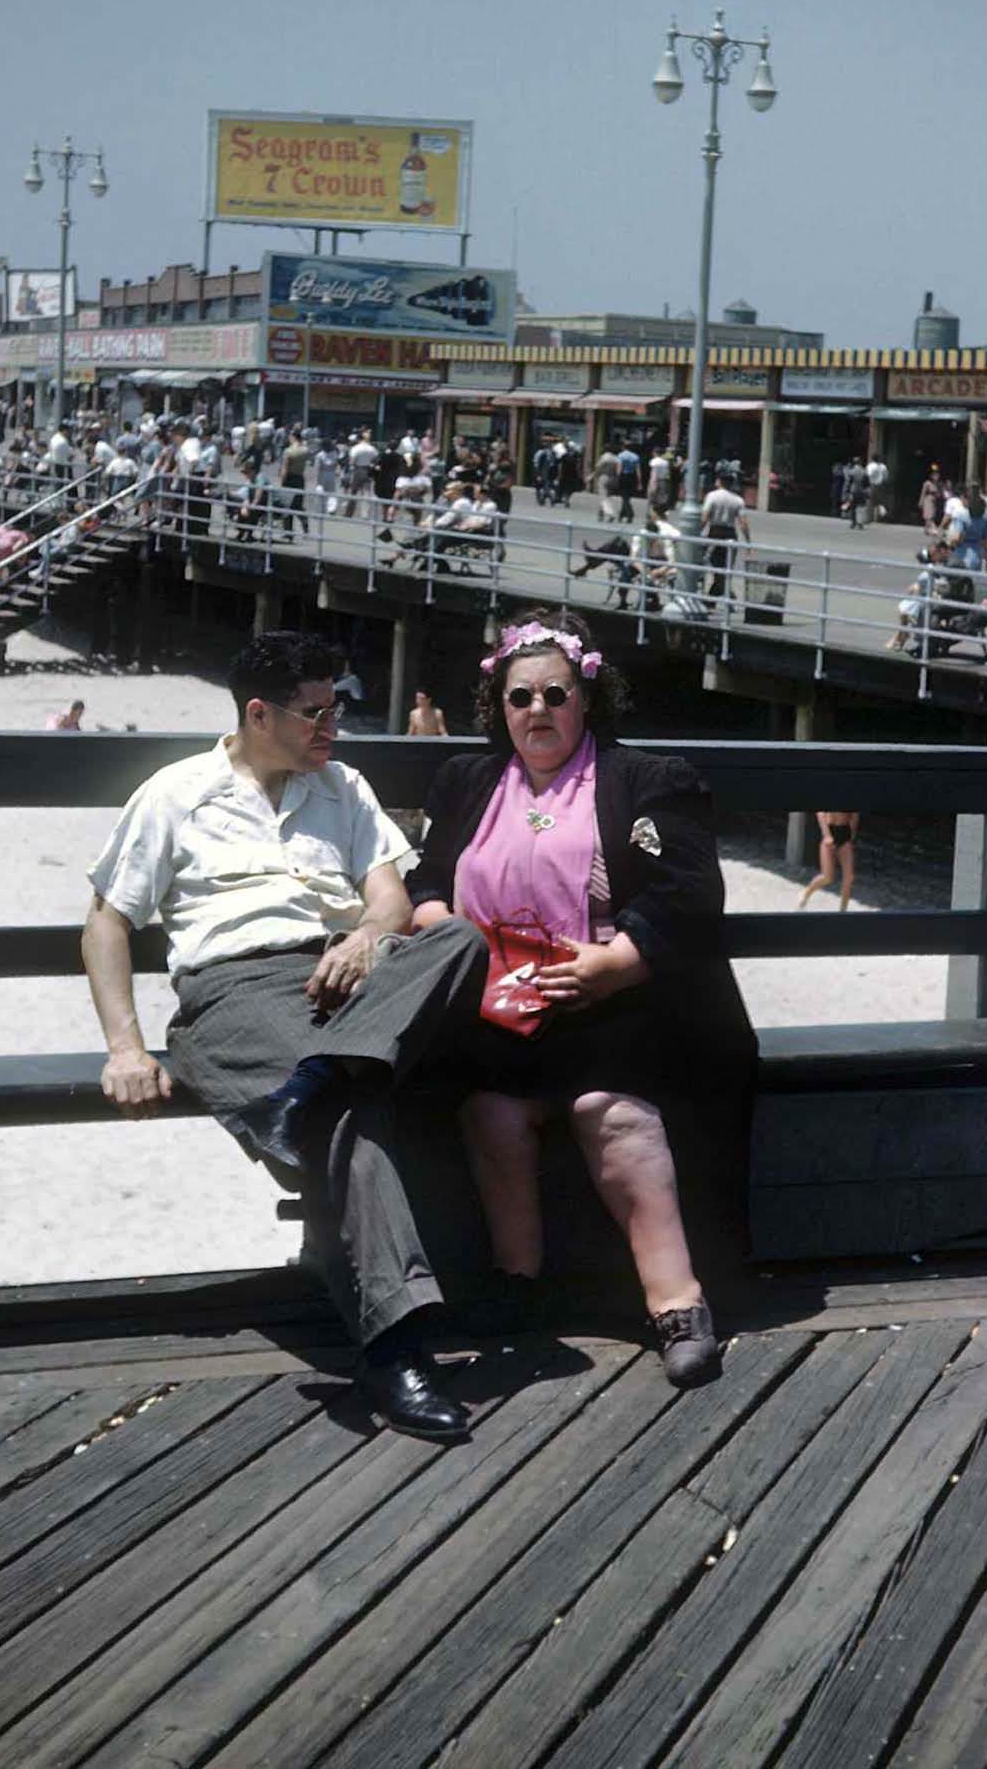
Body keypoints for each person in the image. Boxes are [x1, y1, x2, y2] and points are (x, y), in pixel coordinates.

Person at [82, 632, 490, 1441]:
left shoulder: (341, 787)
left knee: (462, 941)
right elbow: (106, 920)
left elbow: (390, 902)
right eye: (314, 713)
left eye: (337, 708)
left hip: (345, 981)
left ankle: (308, 1083)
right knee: (354, 1123)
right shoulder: (177, 793)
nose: (331, 727)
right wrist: (125, 1048)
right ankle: (397, 1348)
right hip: (236, 991)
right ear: (257, 714)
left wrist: (367, 938)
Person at [406, 609, 755, 1385]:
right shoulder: (465, 782)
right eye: (519, 696)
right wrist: (452, 933)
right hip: (501, 1005)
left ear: (587, 698)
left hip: (622, 1002)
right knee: (489, 1109)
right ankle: (516, 1288)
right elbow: (423, 882)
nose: (538, 711)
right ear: (498, 705)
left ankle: (677, 1302)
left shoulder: (645, 780)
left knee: (612, 1111)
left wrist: (610, 964)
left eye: (556, 695)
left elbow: (687, 894)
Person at [701, 470, 750, 602]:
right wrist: (748, 541)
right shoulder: (738, 500)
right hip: (730, 533)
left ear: (719, 482)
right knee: (726, 567)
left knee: (715, 566)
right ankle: (721, 595)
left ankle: (716, 597)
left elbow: (705, 517)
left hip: (715, 532)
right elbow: (743, 523)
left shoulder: (712, 496)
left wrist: (698, 532)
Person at [799, 811, 859, 912]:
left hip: (844, 835)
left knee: (849, 878)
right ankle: (806, 894)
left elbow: (855, 816)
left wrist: (851, 835)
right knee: (827, 877)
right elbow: (820, 814)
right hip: (830, 831)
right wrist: (827, 835)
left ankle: (842, 912)